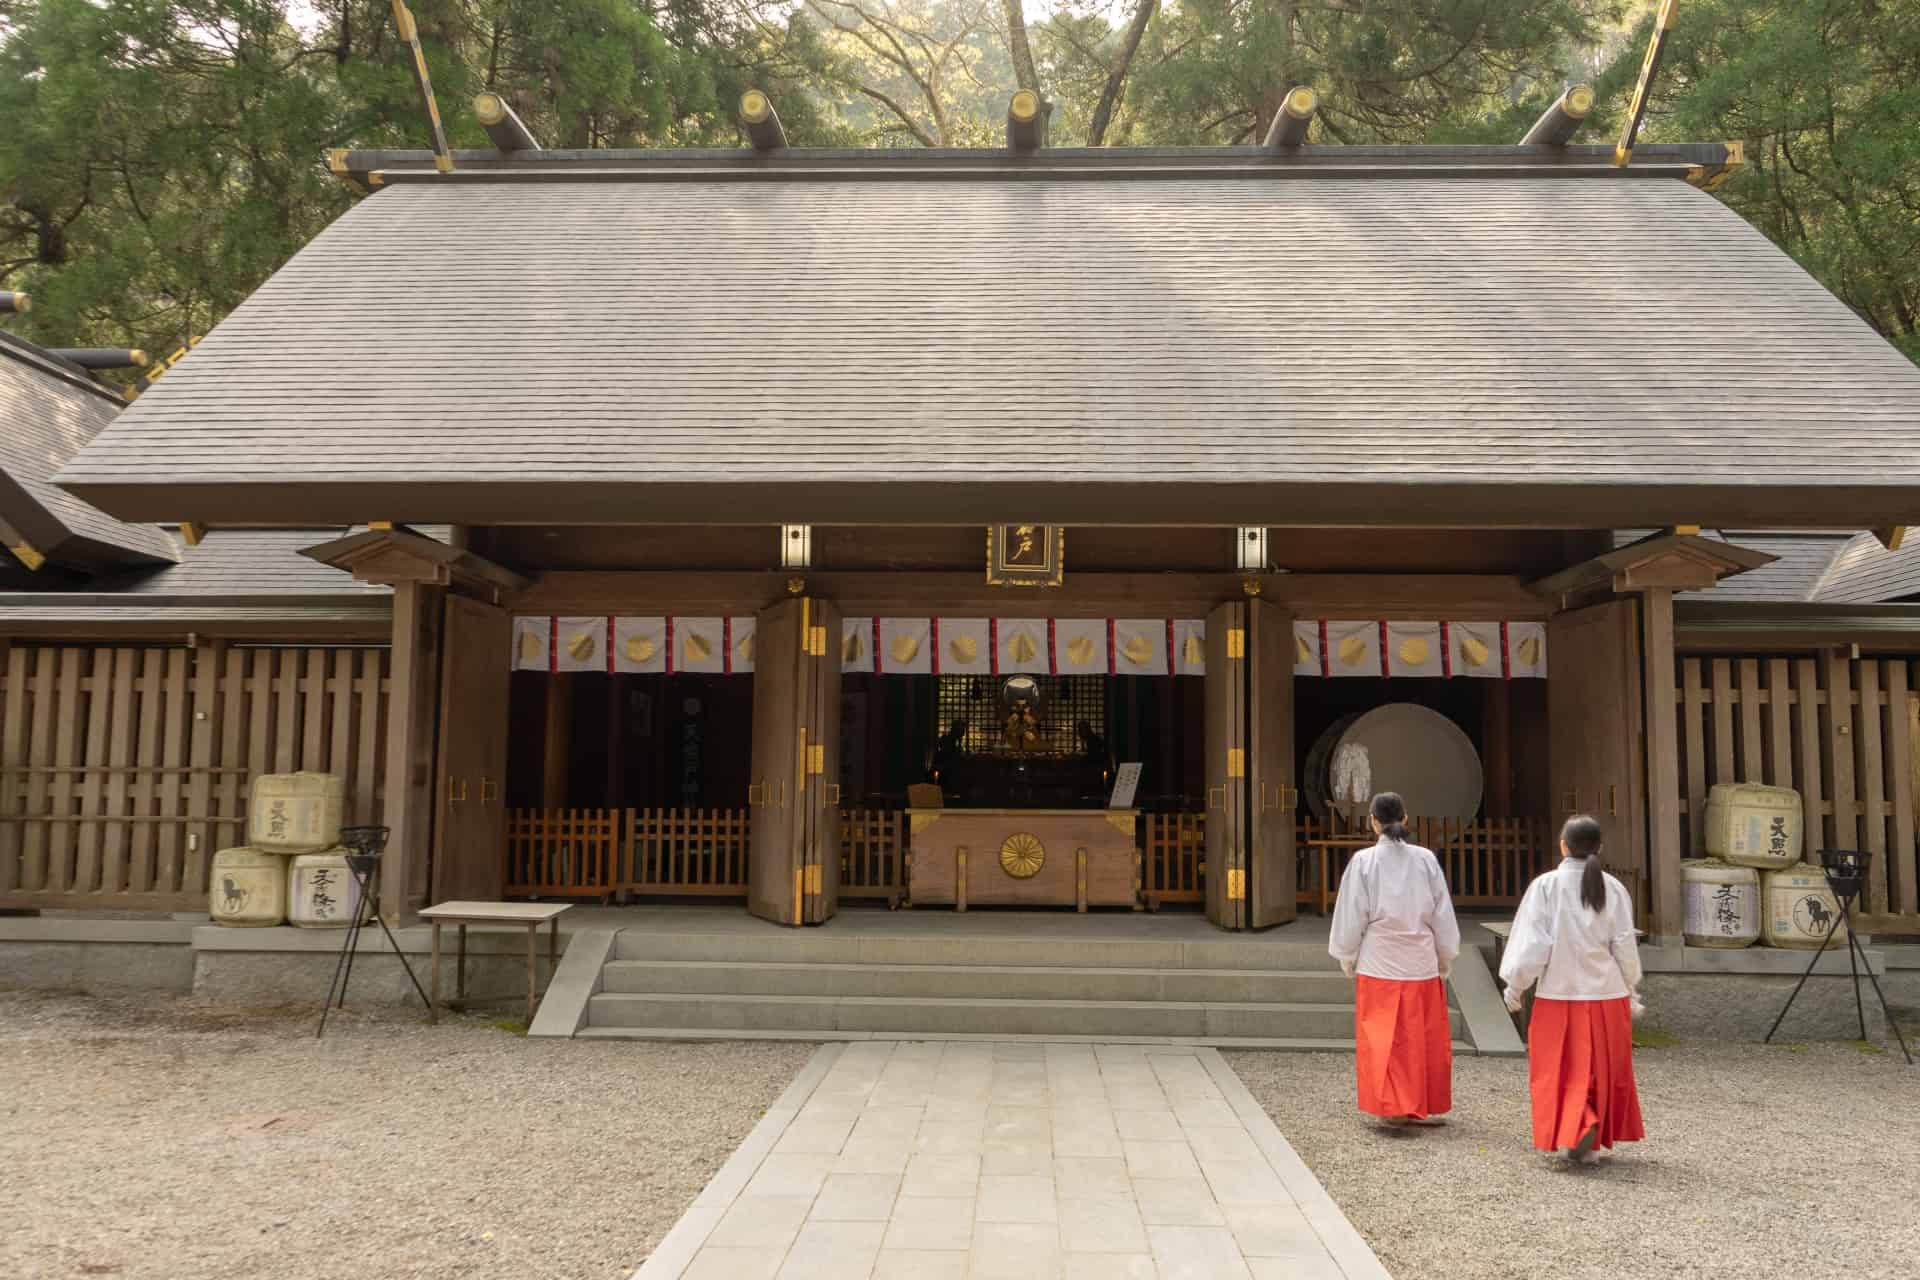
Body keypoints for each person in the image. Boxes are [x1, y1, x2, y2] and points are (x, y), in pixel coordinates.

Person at [1498, 814, 1646, 1164]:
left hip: (1559, 994)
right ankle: (1590, 1135)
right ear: (1600, 848)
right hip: (1606, 996)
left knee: (1559, 1069)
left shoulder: (1545, 886)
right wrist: (1631, 989)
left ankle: (1577, 1127)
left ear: (1562, 845)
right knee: (1600, 1068)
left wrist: (1515, 986)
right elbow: (1624, 945)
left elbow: (1533, 945)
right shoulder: (1613, 888)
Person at [1329, 792, 1461, 1127]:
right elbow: (1441, 913)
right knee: (1419, 1037)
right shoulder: (1426, 860)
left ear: (1372, 821)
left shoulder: (1363, 861)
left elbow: (1351, 914)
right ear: (1405, 819)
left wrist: (1347, 955)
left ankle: (1391, 1104)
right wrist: (1446, 955)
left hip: (1380, 960)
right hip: (1419, 957)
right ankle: (1416, 1101)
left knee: (1382, 1035)